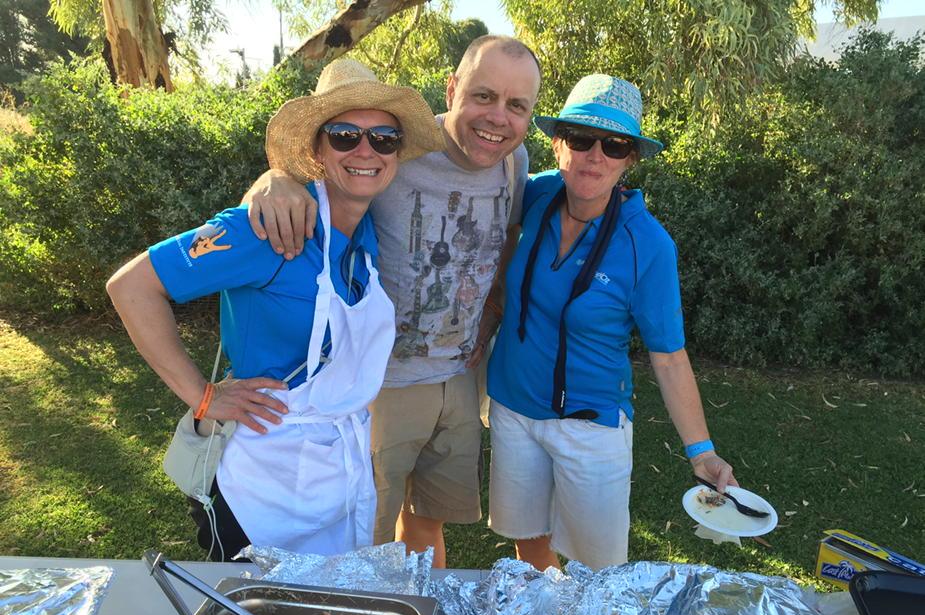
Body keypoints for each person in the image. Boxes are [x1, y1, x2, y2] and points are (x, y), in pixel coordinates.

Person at [106, 59, 444, 559]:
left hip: (335, 480)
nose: (366, 151)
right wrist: (202, 397)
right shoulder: (267, 229)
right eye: (345, 135)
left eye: (384, 139)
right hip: (257, 489)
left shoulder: (365, 234)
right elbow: (132, 287)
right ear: (317, 148)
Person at [243, 36, 542, 568]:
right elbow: (327, 168)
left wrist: (490, 313)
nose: (497, 118)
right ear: (451, 89)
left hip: (460, 378)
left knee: (428, 522)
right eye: (483, 96)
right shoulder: (396, 148)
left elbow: (508, 237)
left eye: (516, 106)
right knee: (368, 533)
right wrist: (272, 180)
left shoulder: (514, 162)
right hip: (380, 383)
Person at [486, 74, 738, 572]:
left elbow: (668, 355)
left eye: (615, 144)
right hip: (513, 411)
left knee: (596, 571)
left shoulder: (648, 245)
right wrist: (284, 181)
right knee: (529, 542)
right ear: (558, 143)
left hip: (590, 428)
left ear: (630, 159)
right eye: (581, 138)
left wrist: (702, 451)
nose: (594, 155)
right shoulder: (533, 196)